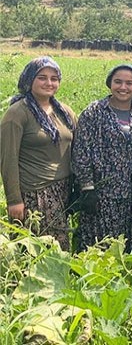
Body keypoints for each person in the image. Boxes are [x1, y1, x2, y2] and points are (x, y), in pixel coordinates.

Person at [0, 56, 77, 250]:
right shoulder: (17, 113)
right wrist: (14, 200)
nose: (49, 83)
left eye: (54, 78)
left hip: (63, 190)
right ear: (29, 80)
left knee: (59, 251)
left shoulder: (64, 112)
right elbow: (7, 159)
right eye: (42, 77)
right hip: (34, 193)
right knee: (36, 250)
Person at [71, 64, 132, 252]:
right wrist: (87, 187)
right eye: (118, 82)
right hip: (101, 193)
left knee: (125, 244)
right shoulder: (94, 112)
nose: (123, 87)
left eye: (129, 83)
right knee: (97, 244)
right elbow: (81, 150)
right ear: (110, 83)